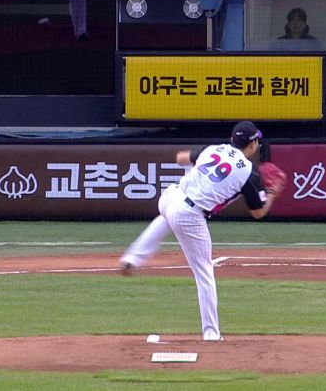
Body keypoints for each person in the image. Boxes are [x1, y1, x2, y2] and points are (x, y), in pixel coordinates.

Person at [119, 121, 280, 341]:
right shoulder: (248, 172)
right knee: (204, 272)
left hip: (170, 196)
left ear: (232, 139)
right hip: (190, 213)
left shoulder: (214, 149)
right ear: (252, 144)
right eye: (256, 141)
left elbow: (180, 158)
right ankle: (211, 333)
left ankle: (132, 258)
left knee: (166, 217)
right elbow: (258, 212)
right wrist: (272, 193)